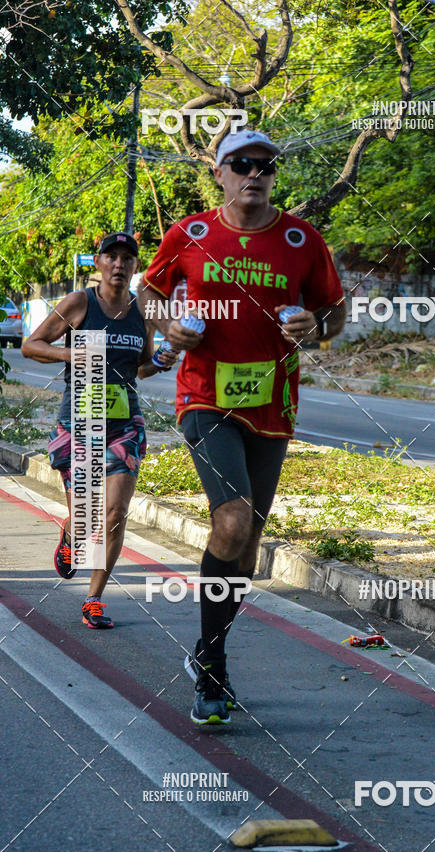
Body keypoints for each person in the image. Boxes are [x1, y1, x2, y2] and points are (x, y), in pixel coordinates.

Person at [139, 128, 346, 726]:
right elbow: (150, 294)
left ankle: (209, 653)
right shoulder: (191, 233)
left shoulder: (302, 239)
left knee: (247, 545)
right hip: (204, 396)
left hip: (273, 407)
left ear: (273, 175)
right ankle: (209, 672)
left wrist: (316, 326)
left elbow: (334, 313)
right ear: (221, 173)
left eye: (264, 166)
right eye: (241, 164)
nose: (254, 174)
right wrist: (170, 326)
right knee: (229, 521)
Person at [22, 232, 177, 628]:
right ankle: (72, 536)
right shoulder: (79, 303)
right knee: (88, 517)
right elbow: (30, 345)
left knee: (115, 513)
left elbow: (139, 367)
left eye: (128, 258)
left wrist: (159, 361)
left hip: (125, 423)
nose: (120, 265)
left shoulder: (142, 310)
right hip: (80, 420)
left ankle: (93, 598)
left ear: (136, 266)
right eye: (112, 257)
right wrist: (67, 352)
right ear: (98, 262)